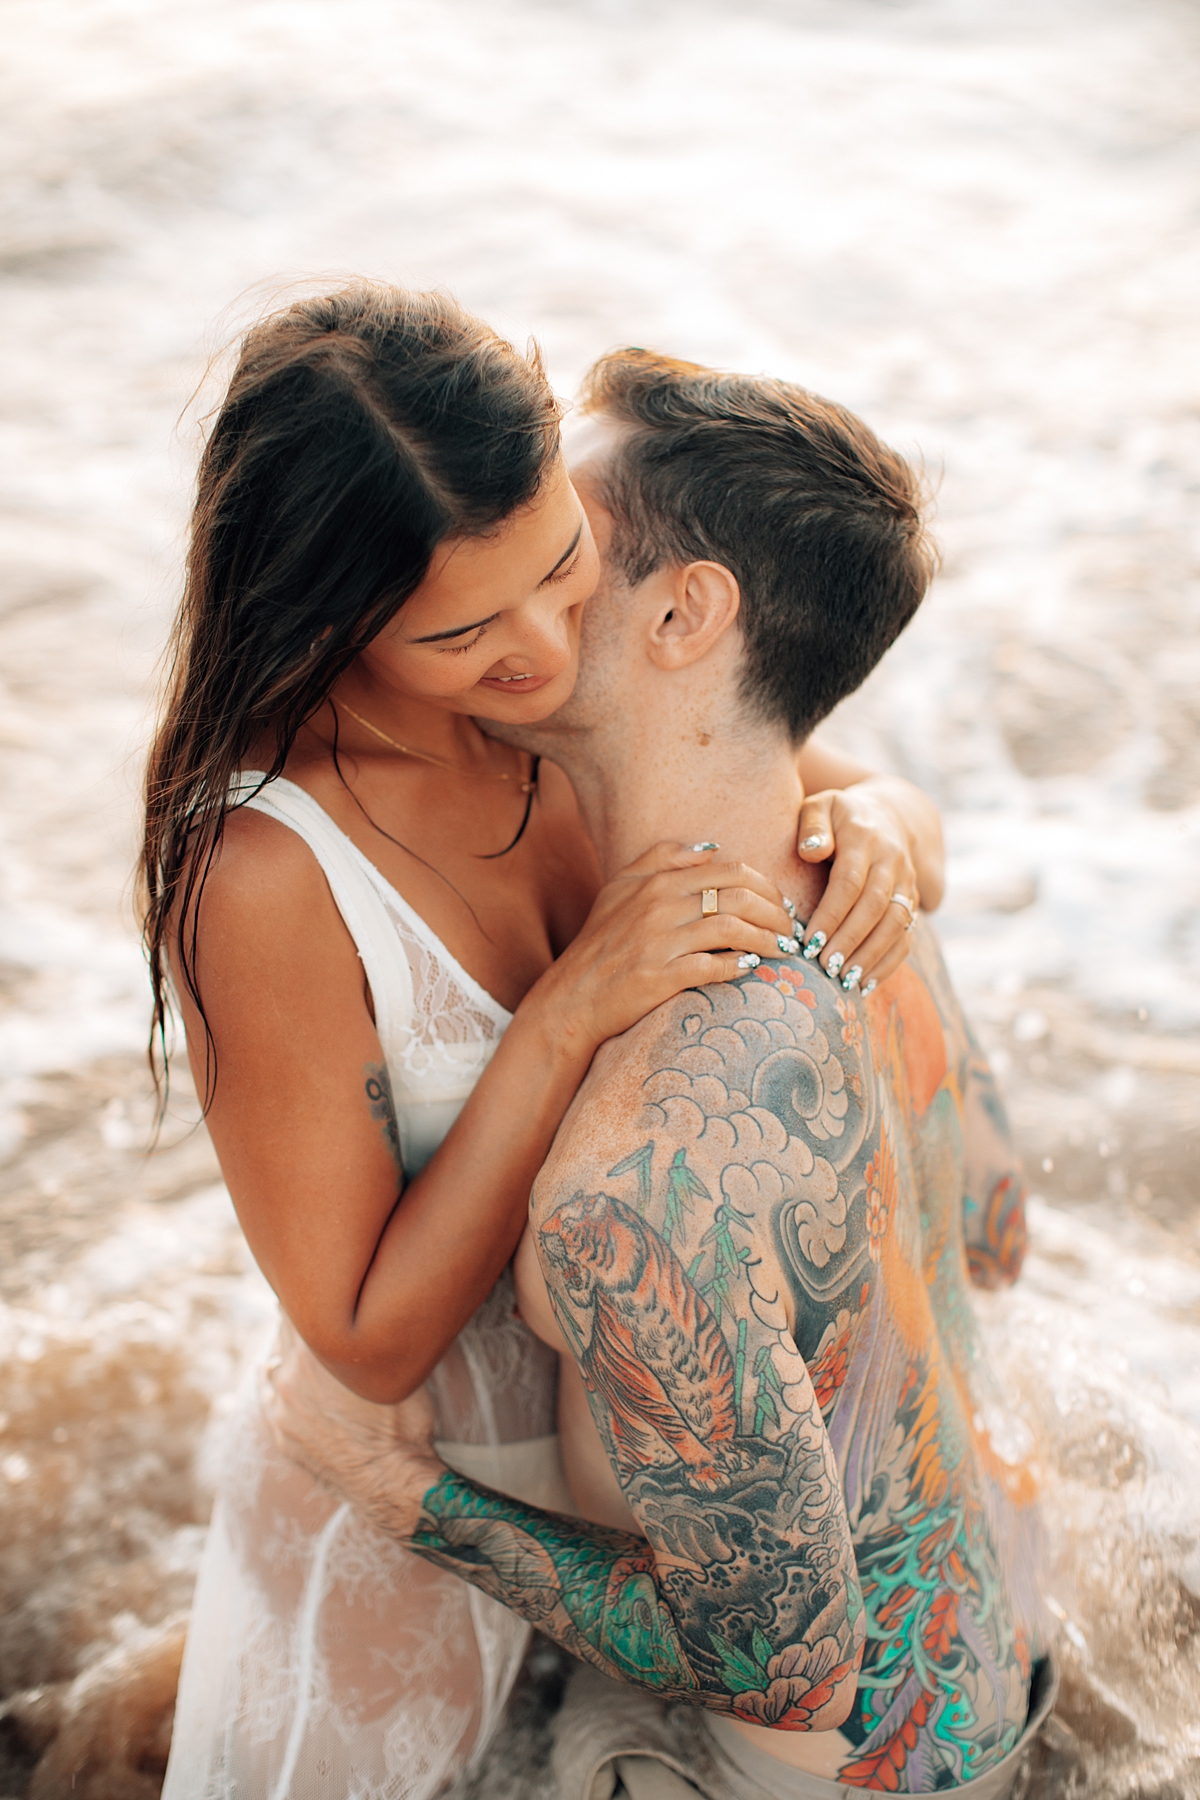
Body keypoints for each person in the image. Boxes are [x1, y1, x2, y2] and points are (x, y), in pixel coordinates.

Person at [147, 286, 946, 1800]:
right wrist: (574, 1003)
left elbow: (814, 763)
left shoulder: (570, 687)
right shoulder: (266, 874)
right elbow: (365, 1332)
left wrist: (887, 835)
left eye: (560, 565)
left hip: (652, 1457)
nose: (539, 645)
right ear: (333, 624)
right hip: (423, 1479)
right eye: (461, 630)